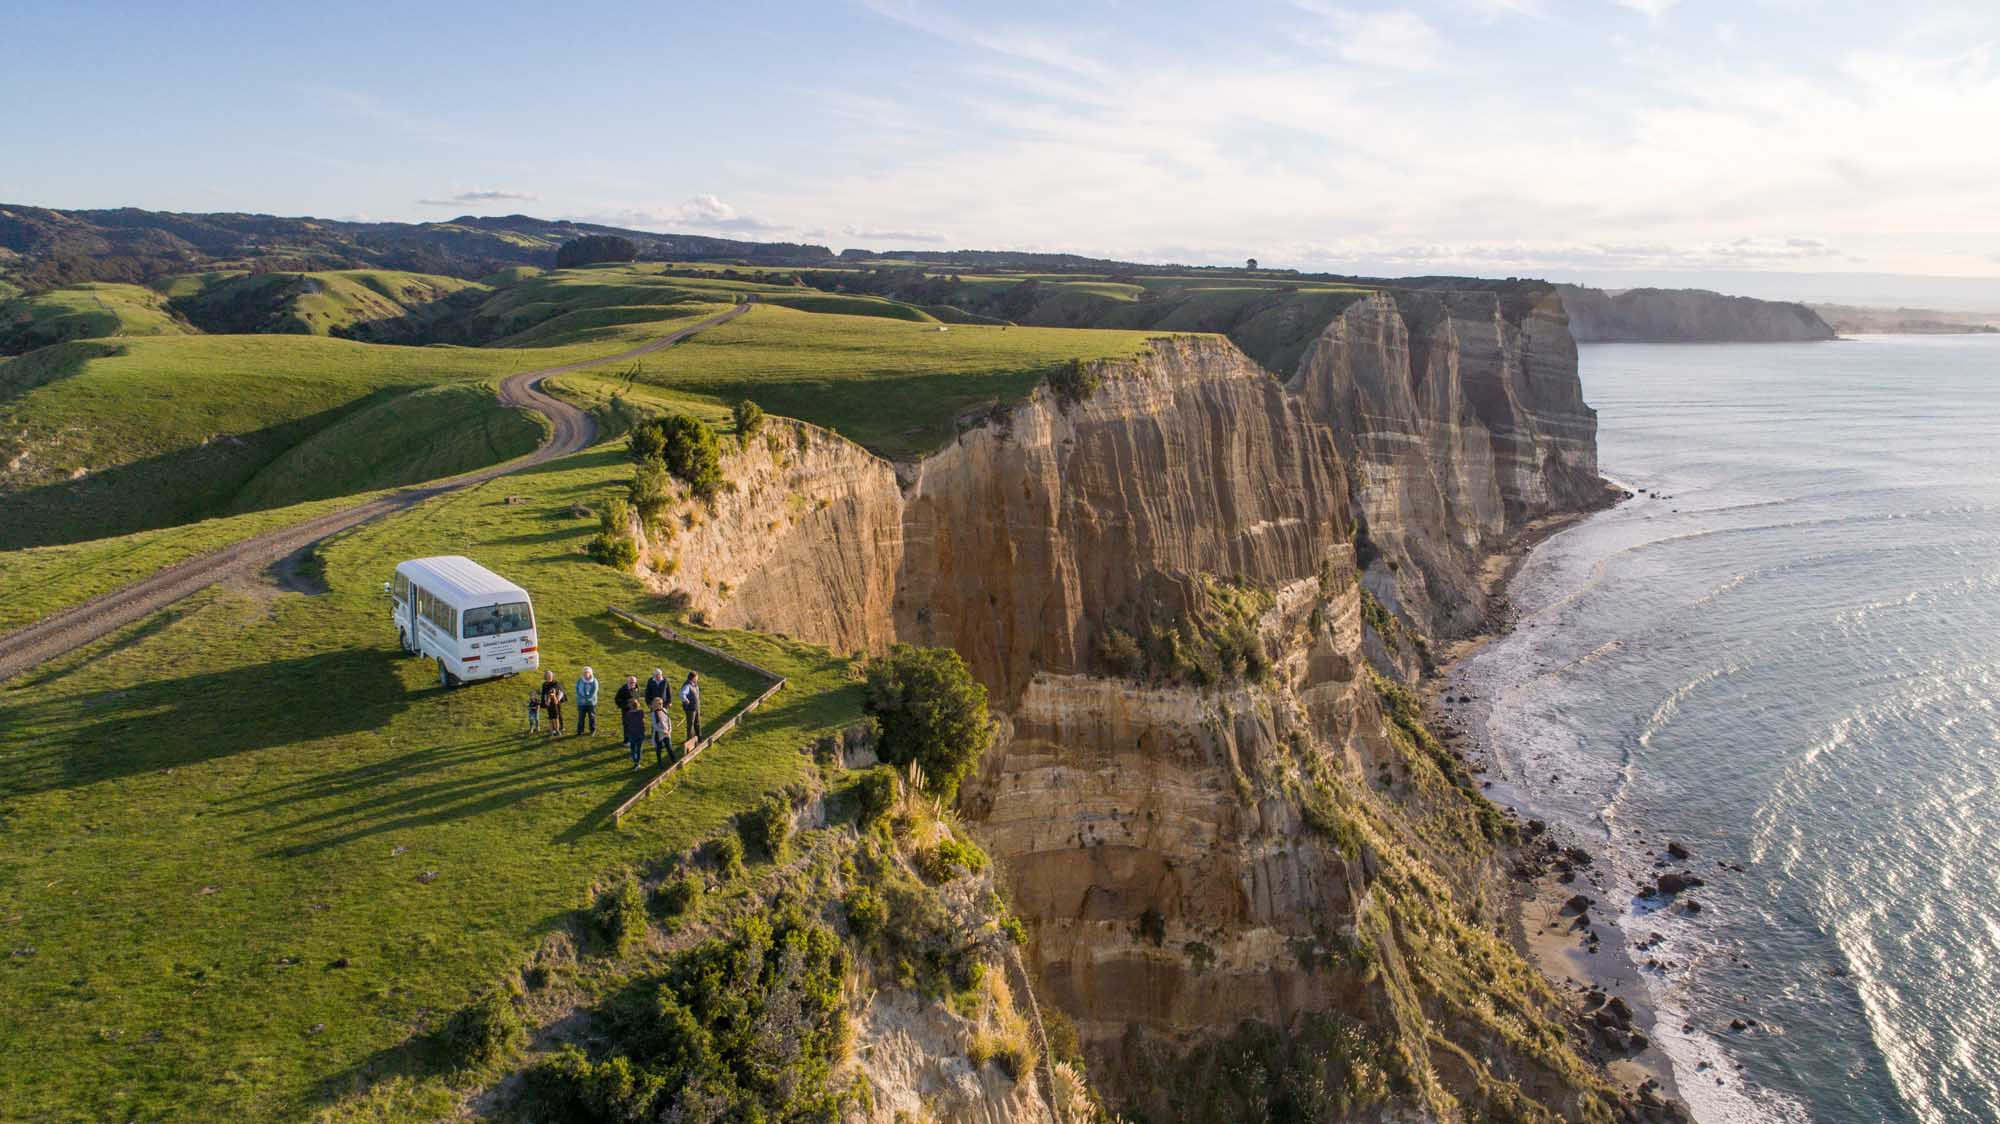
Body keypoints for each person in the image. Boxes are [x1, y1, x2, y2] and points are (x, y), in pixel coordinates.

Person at [621, 693, 647, 770]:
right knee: (639, 749)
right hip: (640, 733)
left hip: (632, 734)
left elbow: (626, 724)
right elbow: (643, 721)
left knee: (633, 749)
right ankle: (637, 763)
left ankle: (635, 762)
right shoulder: (641, 712)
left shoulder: (628, 714)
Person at [574, 667, 599, 736]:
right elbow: (577, 689)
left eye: (587, 672)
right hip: (581, 703)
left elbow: (594, 691)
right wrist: (581, 697)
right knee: (581, 717)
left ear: (590, 673)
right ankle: (580, 731)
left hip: (591, 703)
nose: (585, 674)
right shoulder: (580, 680)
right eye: (584, 673)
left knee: (592, 717)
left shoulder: (594, 681)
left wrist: (587, 698)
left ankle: (592, 730)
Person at [650, 694, 674, 766]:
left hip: (667, 733)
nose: (661, 705)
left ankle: (673, 760)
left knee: (669, 747)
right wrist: (663, 731)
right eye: (660, 703)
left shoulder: (664, 710)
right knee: (659, 748)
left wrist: (669, 730)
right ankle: (659, 762)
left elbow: (668, 720)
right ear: (656, 704)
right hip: (659, 734)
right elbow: (655, 726)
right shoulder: (653, 714)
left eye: (662, 703)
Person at [680, 671, 702, 743]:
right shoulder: (687, 686)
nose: (697, 679)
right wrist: (686, 699)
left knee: (697, 723)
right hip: (690, 709)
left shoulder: (695, 685)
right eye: (696, 677)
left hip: (696, 707)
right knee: (690, 724)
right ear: (693, 678)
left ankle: (699, 738)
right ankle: (690, 740)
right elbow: (682, 694)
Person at [541, 673, 566, 737]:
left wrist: (556, 698)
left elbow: (560, 691)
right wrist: (545, 701)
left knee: (558, 714)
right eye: (547, 676)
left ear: (552, 676)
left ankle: (561, 727)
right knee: (551, 717)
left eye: (550, 676)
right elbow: (544, 693)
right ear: (545, 677)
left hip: (556, 700)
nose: (549, 677)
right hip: (549, 702)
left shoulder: (556, 683)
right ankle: (553, 729)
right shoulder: (544, 684)